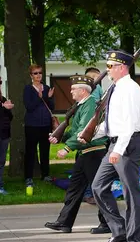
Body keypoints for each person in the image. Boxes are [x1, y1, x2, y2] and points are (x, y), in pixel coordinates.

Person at [79, 49, 140, 242]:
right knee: (98, 187)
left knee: (131, 195)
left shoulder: (130, 88)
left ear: (122, 67)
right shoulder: (116, 88)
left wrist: (118, 150)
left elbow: (128, 123)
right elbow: (114, 121)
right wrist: (94, 133)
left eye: (111, 66)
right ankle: (119, 230)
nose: (107, 69)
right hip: (115, 142)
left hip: (127, 144)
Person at [45, 75, 109, 233]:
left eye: (74, 89)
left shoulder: (89, 105)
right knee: (74, 189)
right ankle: (64, 222)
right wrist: (59, 136)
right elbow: (75, 131)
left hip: (93, 152)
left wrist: (67, 148)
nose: (71, 91)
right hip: (84, 153)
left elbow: (83, 131)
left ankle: (108, 222)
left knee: (99, 189)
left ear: (82, 91)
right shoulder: (82, 105)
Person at [23, 64, 55, 188]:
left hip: (45, 124)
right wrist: (40, 97)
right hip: (32, 125)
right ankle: (28, 178)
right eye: (35, 73)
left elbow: (52, 107)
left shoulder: (46, 88)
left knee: (45, 150)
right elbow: (29, 107)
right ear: (31, 75)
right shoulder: (28, 89)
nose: (38, 75)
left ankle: (45, 174)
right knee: (30, 151)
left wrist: (49, 98)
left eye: (40, 73)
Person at [82, 67, 102, 204]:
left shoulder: (99, 89)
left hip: (97, 129)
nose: (97, 80)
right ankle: (88, 192)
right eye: (94, 78)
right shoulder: (84, 91)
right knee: (88, 165)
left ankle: (92, 192)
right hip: (87, 130)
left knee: (95, 165)